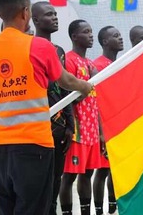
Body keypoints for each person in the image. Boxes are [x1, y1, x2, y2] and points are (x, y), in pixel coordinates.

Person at [0, 0, 93, 215]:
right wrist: (85, 86)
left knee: (4, 208)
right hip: (34, 145)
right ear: (26, 12)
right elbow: (65, 80)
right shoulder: (39, 46)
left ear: (0, 14)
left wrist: (2, 115)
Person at [32, 1, 74, 215]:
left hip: (59, 127)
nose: (55, 17)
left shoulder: (58, 51)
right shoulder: (29, 48)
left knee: (56, 178)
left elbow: (64, 88)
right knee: (41, 181)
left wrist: (70, 124)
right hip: (40, 126)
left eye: (56, 14)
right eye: (49, 15)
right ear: (35, 20)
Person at [59, 19, 101, 215]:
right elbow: (67, 99)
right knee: (69, 176)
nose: (91, 35)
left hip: (91, 130)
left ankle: (86, 211)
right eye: (86, 31)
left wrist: (100, 131)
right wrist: (90, 80)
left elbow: (96, 102)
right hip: (77, 129)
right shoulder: (69, 60)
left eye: (91, 31)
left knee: (88, 173)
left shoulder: (90, 64)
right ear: (75, 36)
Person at [93, 26, 124, 215]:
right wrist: (101, 131)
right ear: (105, 42)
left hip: (119, 124)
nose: (120, 38)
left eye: (120, 35)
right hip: (105, 126)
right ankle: (98, 210)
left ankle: (113, 207)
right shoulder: (98, 66)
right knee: (103, 170)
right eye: (115, 36)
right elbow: (95, 101)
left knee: (116, 169)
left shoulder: (120, 64)